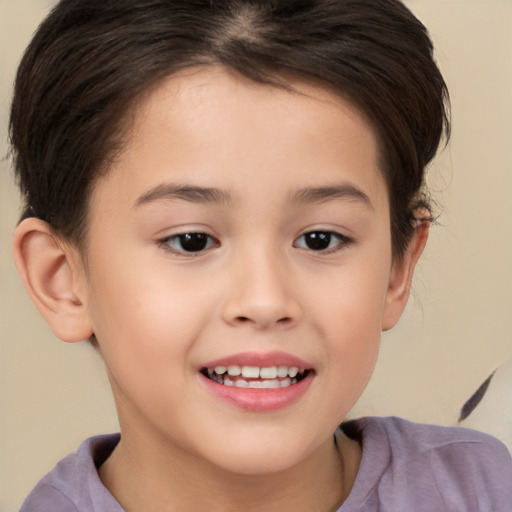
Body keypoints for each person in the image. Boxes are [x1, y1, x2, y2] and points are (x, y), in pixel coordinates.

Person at [8, 0, 512, 510]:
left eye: (320, 239)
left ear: (397, 266)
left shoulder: (485, 489)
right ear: (62, 279)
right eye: (191, 241)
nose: (266, 300)